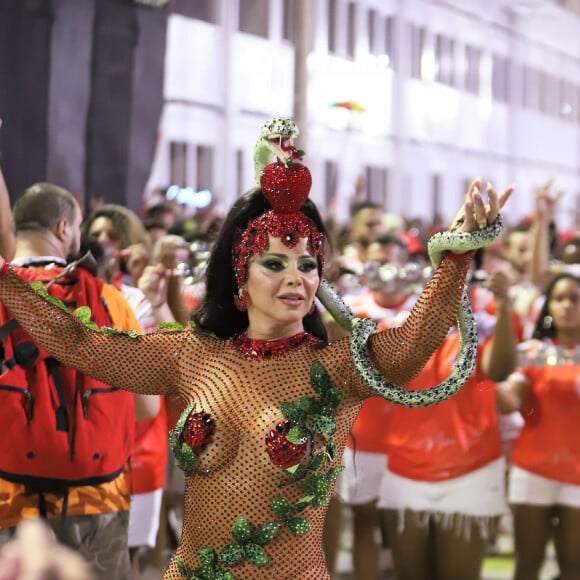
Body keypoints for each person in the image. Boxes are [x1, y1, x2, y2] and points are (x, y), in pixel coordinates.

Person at [0, 119, 511, 579]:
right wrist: (5, 280)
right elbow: (82, 343)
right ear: (240, 281)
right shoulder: (192, 355)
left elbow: (412, 347)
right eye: (275, 264)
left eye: (307, 265)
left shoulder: (336, 368)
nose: (296, 278)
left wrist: (458, 252)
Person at [0, 182, 143, 579]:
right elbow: (146, 405)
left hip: (8, 493)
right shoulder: (112, 300)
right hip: (97, 493)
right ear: (65, 229)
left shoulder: (1, 293)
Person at [499, 272, 580, 580]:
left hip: (578, 475)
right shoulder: (530, 352)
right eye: (559, 299)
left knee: (574, 568)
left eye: (575, 299)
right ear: (547, 307)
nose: (566, 306)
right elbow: (510, 400)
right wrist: (491, 387)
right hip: (532, 470)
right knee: (527, 565)